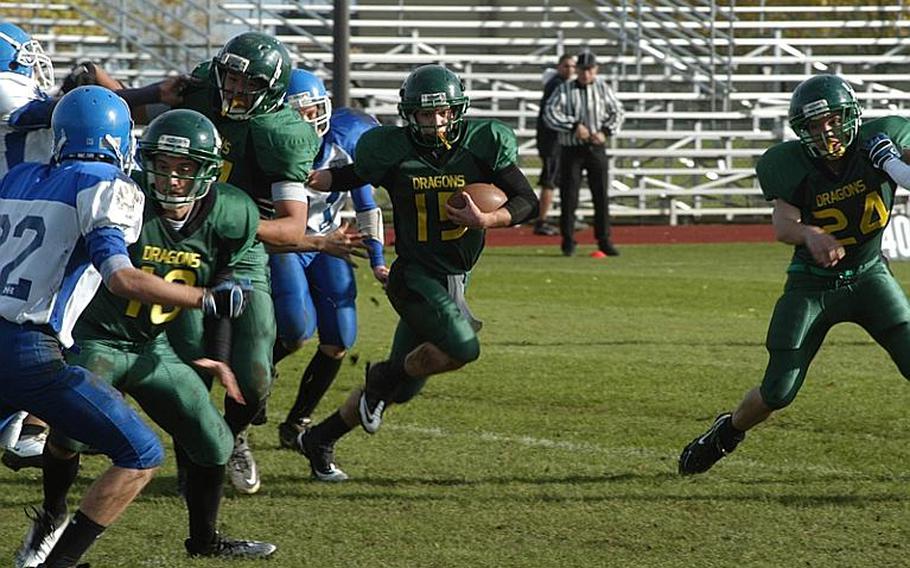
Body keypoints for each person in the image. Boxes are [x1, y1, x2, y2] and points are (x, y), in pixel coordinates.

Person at [5, 86, 249, 568]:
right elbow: (122, 278)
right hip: (28, 350)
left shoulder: (19, 176)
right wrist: (203, 297)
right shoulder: (102, 182)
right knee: (140, 454)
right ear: (122, 143)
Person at [300, 64, 538, 481]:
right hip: (412, 277)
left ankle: (319, 437)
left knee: (403, 387)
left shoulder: (483, 144)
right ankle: (379, 377)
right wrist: (311, 176)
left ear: (457, 110)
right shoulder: (391, 149)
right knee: (464, 348)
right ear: (409, 114)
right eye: (426, 115)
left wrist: (488, 220)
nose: (436, 122)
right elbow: (351, 175)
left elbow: (526, 199)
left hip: (453, 278)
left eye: (443, 112)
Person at [678, 74, 910, 476]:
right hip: (813, 284)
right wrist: (810, 233)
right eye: (815, 125)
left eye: (833, 119)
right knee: (778, 391)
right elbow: (783, 224)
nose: (827, 131)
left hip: (870, 274)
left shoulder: (881, 141)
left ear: (850, 115)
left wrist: (890, 158)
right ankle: (725, 432)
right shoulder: (791, 166)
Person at [174, 31, 361, 494]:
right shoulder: (200, 94)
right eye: (230, 78)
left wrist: (226, 220)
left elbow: (292, 227)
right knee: (192, 366)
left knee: (254, 378)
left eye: (248, 83)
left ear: (273, 90)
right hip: (184, 254)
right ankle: (192, 465)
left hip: (241, 256)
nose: (235, 91)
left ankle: (233, 433)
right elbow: (146, 106)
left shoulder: (280, 133)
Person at [271, 69, 388, 450]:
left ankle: (297, 421)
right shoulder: (269, 145)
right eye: (299, 112)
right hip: (288, 244)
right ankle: (256, 373)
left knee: (339, 337)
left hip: (330, 239)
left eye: (314, 109)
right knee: (295, 331)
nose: (310, 119)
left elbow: (367, 204)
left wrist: (377, 259)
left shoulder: (346, 137)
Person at [543, 50, 624, 258]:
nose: (586, 74)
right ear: (577, 70)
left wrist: (605, 132)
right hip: (571, 148)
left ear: (595, 70)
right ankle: (568, 240)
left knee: (601, 195)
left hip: (596, 148)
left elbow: (618, 112)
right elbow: (550, 113)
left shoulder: (603, 89)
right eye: (582, 70)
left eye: (589, 70)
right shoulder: (564, 89)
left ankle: (604, 239)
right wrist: (573, 126)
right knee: (569, 195)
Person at [533, 54, 575, 236]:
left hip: (555, 140)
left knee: (556, 180)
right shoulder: (558, 85)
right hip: (552, 141)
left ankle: (565, 216)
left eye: (573, 66)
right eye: (566, 66)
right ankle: (541, 220)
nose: (570, 70)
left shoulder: (556, 84)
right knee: (549, 181)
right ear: (559, 67)